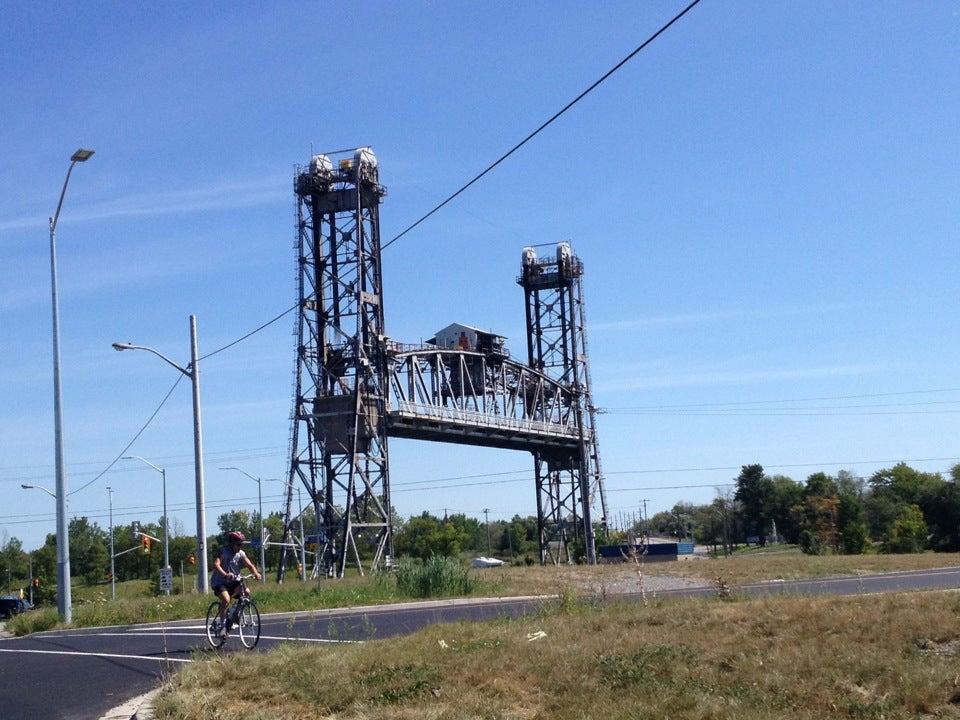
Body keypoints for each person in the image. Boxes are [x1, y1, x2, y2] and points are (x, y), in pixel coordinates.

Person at [211, 530, 262, 636]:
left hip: (234, 581)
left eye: (241, 544)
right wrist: (225, 574)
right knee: (226, 599)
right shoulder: (223, 551)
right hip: (220, 582)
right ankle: (223, 626)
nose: (240, 547)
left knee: (246, 592)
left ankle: (235, 614)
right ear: (232, 543)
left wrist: (256, 573)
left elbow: (250, 565)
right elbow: (216, 564)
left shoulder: (241, 554)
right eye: (238, 544)